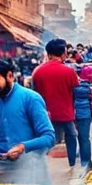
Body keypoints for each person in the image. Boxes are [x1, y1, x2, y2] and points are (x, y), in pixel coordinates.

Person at [0, 59, 56, 185]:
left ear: (9, 76)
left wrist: (22, 147)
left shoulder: (30, 98)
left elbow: (49, 138)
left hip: (32, 168)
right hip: (3, 168)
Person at [32, 38, 80, 174]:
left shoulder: (37, 71)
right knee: (71, 136)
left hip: (45, 114)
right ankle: (72, 164)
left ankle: (37, 163)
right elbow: (75, 91)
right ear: (63, 53)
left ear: (48, 54)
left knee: (45, 139)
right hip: (66, 112)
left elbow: (34, 93)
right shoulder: (69, 72)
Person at [72, 77, 92, 174]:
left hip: (73, 114)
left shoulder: (72, 88)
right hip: (85, 114)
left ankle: (74, 160)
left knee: (73, 137)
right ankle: (86, 163)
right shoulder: (88, 88)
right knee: (85, 139)